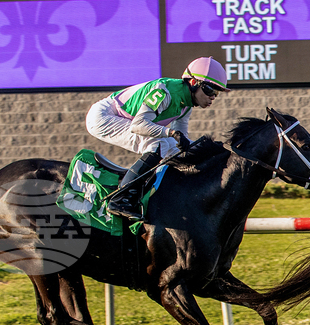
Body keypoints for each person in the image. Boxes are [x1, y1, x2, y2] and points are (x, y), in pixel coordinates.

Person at [85, 57, 231, 221]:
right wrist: (171, 133)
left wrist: (214, 149)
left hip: (125, 119)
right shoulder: (164, 92)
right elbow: (138, 126)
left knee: (173, 149)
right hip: (103, 116)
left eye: (217, 93)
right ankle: (119, 200)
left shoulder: (186, 105)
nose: (212, 97)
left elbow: (181, 143)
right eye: (210, 90)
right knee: (157, 144)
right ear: (193, 83)